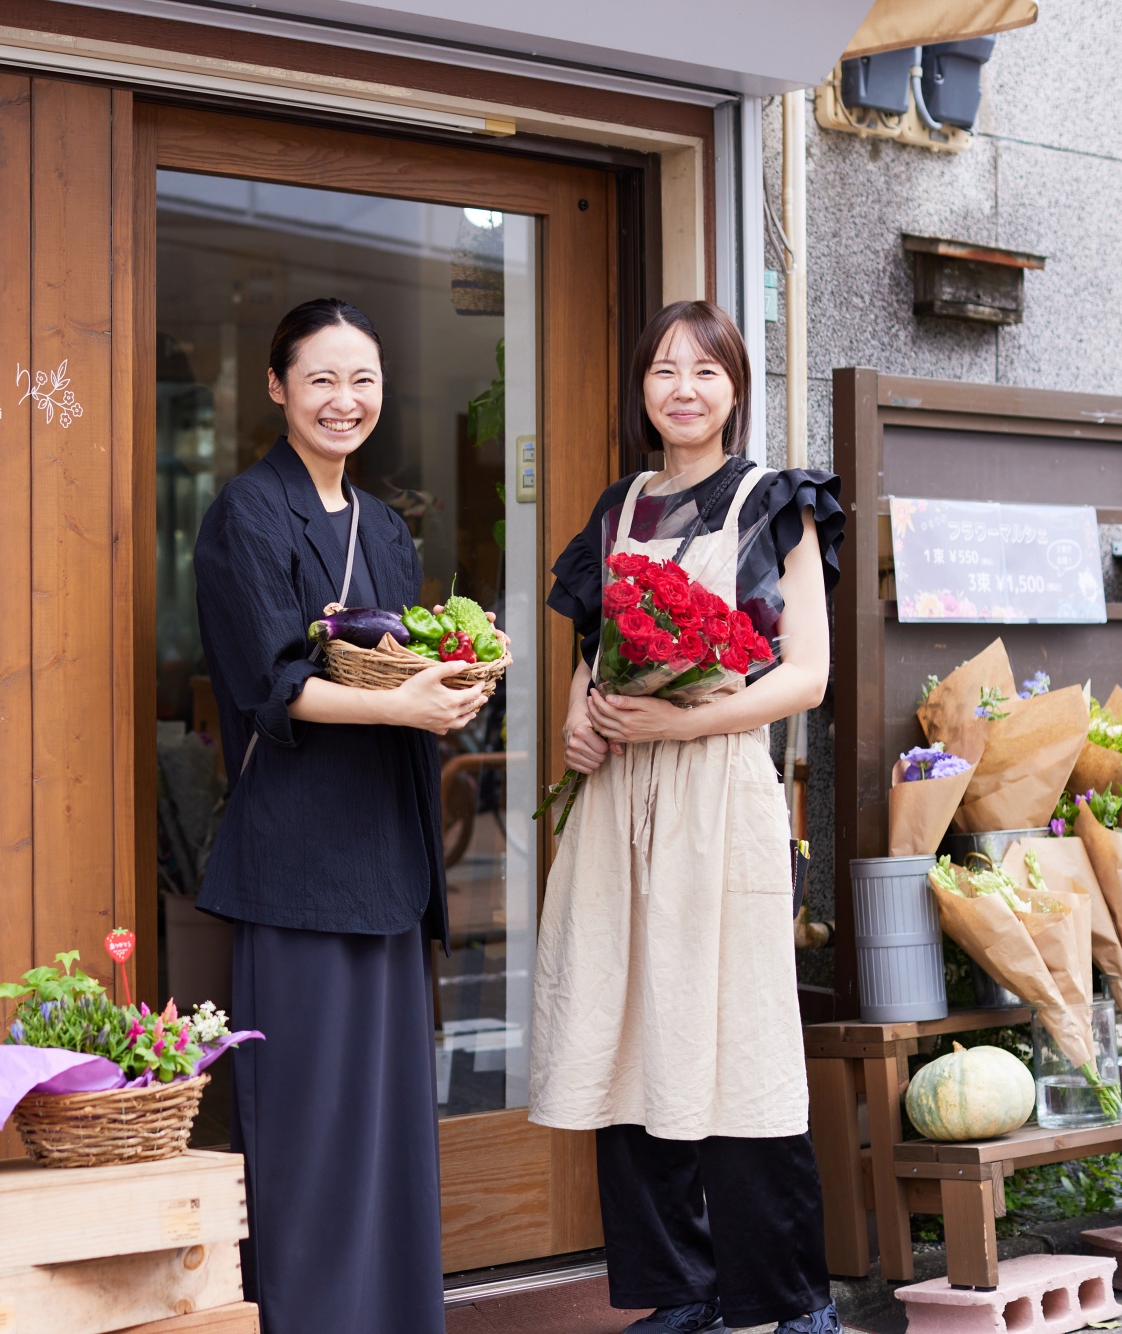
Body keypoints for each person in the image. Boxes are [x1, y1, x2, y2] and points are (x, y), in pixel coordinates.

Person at [529, 300, 847, 1334]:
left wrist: (671, 723)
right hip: (617, 799)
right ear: (642, 391)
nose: (681, 388)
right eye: (663, 370)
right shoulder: (618, 507)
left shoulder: (773, 502)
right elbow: (591, 651)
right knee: (624, 1030)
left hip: (715, 794)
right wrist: (581, 722)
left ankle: (787, 1299)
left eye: (703, 371)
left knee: (737, 1037)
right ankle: (682, 1286)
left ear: (733, 389)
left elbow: (805, 675)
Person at [193, 297, 490, 1334]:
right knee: (310, 1129)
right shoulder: (244, 512)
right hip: (298, 862)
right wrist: (400, 702)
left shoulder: (388, 531)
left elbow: (401, 666)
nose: (342, 399)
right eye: (319, 378)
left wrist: (449, 690)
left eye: (360, 378)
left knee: (387, 1128)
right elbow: (266, 686)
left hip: (387, 853)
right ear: (277, 387)